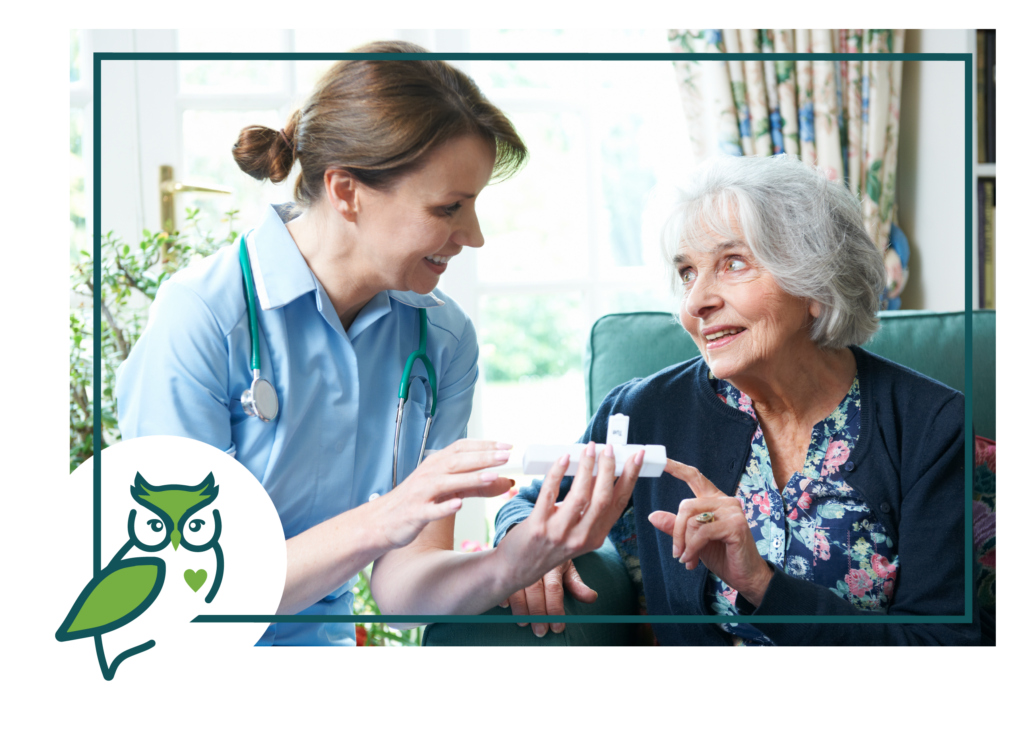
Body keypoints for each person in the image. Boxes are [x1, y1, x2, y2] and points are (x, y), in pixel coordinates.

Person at [116, 41, 643, 646]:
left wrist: (518, 559)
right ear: (346, 192)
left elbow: (401, 594)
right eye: (449, 208)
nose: (473, 236)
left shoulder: (440, 339)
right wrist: (392, 513)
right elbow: (196, 592)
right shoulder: (203, 317)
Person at [494, 154, 979, 646]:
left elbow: (946, 637)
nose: (695, 301)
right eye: (686, 272)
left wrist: (763, 586)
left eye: (733, 263)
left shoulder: (930, 427)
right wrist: (522, 548)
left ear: (816, 281)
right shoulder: (645, 412)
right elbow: (531, 506)